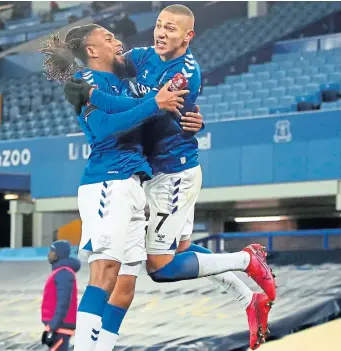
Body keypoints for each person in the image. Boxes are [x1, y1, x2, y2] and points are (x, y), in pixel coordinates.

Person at [63, 5, 276, 350]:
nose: (161, 32)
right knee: (174, 254)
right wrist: (76, 79)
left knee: (160, 266)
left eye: (171, 29)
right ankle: (247, 298)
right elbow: (111, 70)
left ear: (188, 36)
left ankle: (247, 261)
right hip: (144, 174)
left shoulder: (184, 72)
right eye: (159, 25)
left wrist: (91, 94)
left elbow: (148, 107)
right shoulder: (143, 56)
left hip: (171, 172)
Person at [40, 24, 191, 351]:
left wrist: (162, 102)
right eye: (108, 38)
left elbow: (132, 110)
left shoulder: (118, 86)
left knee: (124, 287)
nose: (118, 41)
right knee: (105, 271)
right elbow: (107, 127)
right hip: (108, 182)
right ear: (92, 51)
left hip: (133, 183)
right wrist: (155, 103)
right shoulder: (86, 81)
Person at [41, 240, 80, 351]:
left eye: (52, 251)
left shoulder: (64, 273)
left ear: (59, 254)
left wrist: (53, 326)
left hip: (60, 327)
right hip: (57, 326)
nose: (49, 253)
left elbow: (64, 302)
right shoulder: (60, 272)